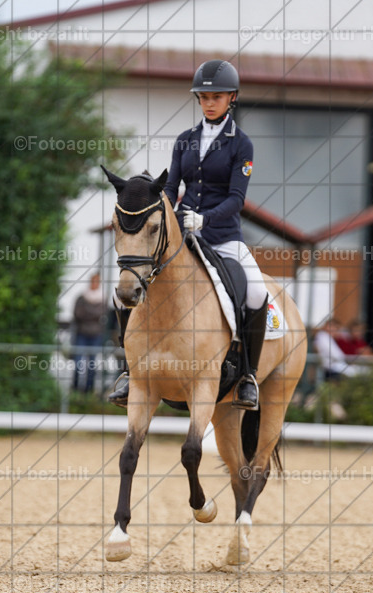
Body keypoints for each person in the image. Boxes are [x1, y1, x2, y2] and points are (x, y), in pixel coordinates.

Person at [109, 59, 268, 410]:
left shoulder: (241, 144)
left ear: (232, 98)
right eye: (203, 96)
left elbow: (236, 199)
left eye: (216, 96)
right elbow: (171, 188)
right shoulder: (185, 140)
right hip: (180, 235)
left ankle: (248, 376)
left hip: (223, 235)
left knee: (256, 291)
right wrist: (161, 213)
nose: (209, 102)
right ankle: (129, 370)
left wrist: (205, 218)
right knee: (126, 288)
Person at [71, 273, 105, 393]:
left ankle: (88, 390)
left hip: (96, 335)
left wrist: (88, 314)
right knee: (78, 362)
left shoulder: (102, 299)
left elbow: (102, 315)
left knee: (92, 363)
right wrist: (93, 315)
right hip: (82, 334)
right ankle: (75, 388)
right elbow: (78, 314)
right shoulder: (81, 297)